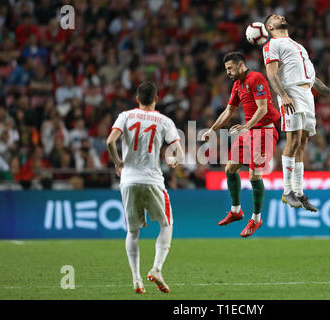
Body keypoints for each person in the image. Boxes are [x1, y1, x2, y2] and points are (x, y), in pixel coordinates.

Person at [263, 14, 330, 211]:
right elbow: (271, 73)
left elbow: (312, 79)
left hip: (306, 93)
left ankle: (299, 191)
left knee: (302, 142)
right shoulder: (272, 45)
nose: (281, 16)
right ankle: (287, 191)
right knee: (293, 140)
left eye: (281, 15)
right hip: (291, 92)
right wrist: (284, 95)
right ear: (270, 26)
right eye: (276, 17)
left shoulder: (298, 46)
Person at [106, 81, 184, 294]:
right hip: (152, 180)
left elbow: (110, 142)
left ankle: (136, 280)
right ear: (157, 99)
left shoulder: (125, 116)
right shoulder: (164, 120)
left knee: (132, 231)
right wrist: (174, 160)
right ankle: (157, 269)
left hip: (128, 180)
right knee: (166, 224)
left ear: (137, 99)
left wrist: (117, 163)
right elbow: (179, 151)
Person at [202, 51, 280, 237]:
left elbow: (262, 110)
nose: (228, 72)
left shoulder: (256, 78)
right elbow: (229, 110)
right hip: (249, 132)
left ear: (240, 64)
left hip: (264, 131)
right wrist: (212, 129)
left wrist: (246, 126)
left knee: (254, 175)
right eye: (226, 69)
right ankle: (236, 211)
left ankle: (256, 218)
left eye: (230, 68)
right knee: (230, 168)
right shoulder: (237, 85)